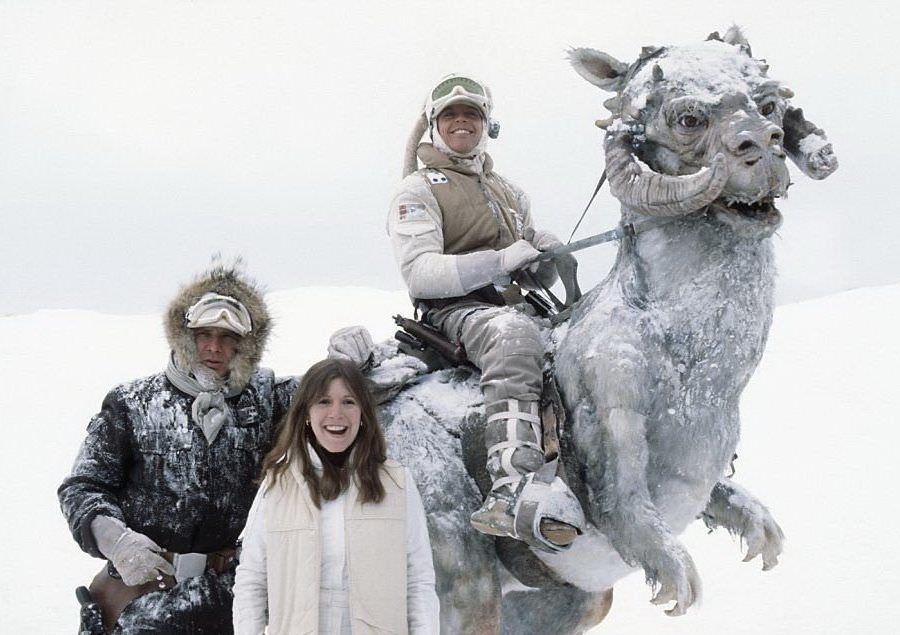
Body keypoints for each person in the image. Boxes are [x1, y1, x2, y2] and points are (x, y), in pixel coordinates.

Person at [58, 264, 376, 634]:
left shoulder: (269, 398)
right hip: (143, 590)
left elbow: (328, 398)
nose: (214, 347)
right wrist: (117, 541)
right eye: (204, 334)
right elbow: (82, 487)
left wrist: (348, 361)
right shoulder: (131, 404)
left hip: (233, 594)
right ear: (183, 335)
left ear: (247, 345)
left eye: (228, 337)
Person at [387, 74, 585, 552]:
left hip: (519, 305)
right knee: (514, 335)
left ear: (486, 125)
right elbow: (420, 274)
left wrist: (548, 256)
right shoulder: (416, 190)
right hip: (455, 313)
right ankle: (510, 487)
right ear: (434, 125)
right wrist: (498, 261)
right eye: (451, 115)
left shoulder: (510, 193)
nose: (461, 122)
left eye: (471, 114)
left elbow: (532, 278)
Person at [232, 358, 439, 634]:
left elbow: (418, 581)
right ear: (306, 412)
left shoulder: (397, 482)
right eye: (324, 402)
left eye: (349, 402)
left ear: (363, 412)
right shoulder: (278, 482)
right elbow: (252, 580)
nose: (336, 414)